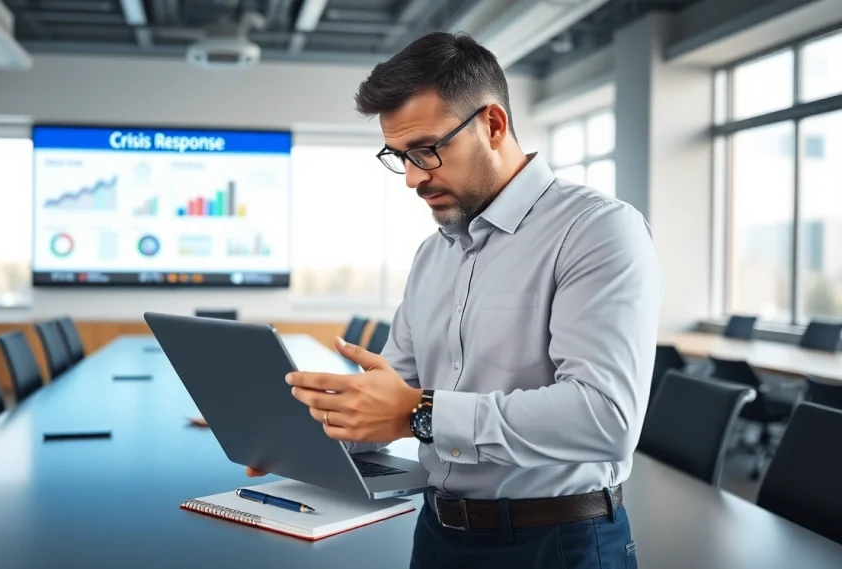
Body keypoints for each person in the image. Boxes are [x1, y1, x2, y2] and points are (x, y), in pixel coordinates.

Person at [250, 31, 661, 568]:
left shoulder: (598, 230)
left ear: (492, 124)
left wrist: (420, 413)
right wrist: (306, 434)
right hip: (439, 534)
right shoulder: (432, 254)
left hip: (558, 543)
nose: (413, 178)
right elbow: (388, 396)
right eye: (399, 157)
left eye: (427, 150)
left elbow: (606, 418)